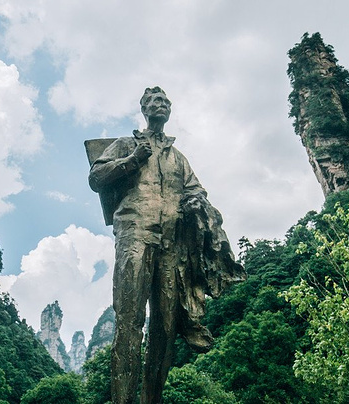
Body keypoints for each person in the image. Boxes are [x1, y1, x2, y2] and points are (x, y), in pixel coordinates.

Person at [88, 87, 245, 404]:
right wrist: (133, 160)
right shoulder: (127, 144)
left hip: (173, 244)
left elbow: (198, 192)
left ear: (169, 110)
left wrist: (194, 203)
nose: (159, 105)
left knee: (166, 327)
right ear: (143, 109)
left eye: (164, 101)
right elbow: (96, 177)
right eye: (153, 101)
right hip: (136, 232)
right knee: (129, 322)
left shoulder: (179, 159)